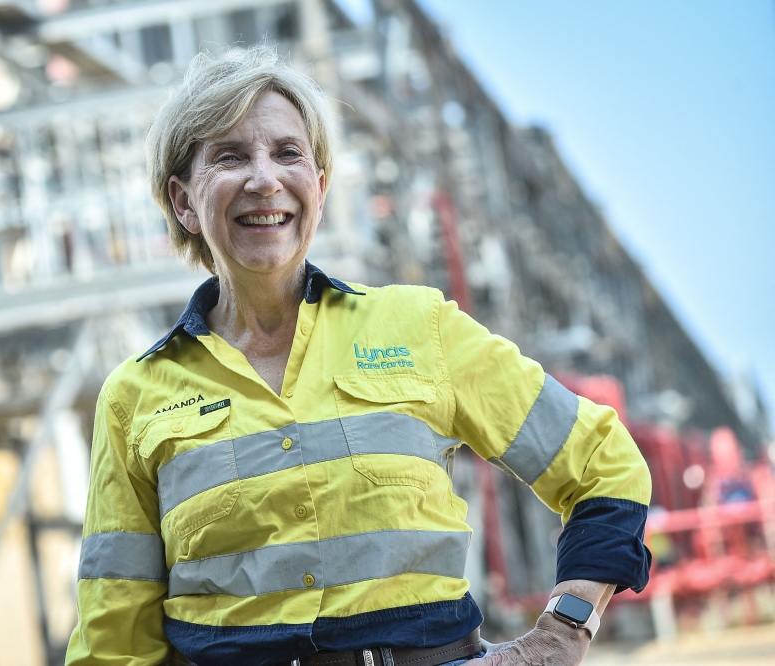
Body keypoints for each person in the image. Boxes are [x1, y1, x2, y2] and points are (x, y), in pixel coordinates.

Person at [65, 46, 652, 666]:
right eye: (230, 156)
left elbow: (603, 465)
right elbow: (114, 642)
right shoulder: (134, 397)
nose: (265, 179)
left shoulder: (419, 327)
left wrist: (560, 635)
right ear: (183, 201)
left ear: (317, 186)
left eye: (288, 153)